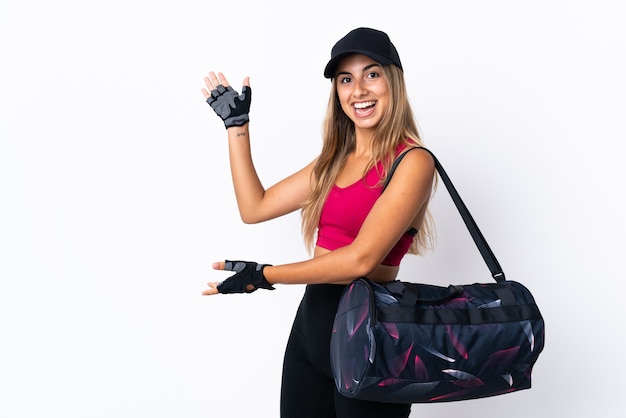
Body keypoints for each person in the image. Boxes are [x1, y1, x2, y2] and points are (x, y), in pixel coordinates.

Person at [200, 27, 436, 418]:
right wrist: (236, 127)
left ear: (394, 80)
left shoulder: (412, 161)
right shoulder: (332, 163)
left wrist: (266, 275)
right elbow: (254, 207)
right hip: (312, 328)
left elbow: (360, 261)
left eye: (371, 74)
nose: (358, 89)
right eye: (346, 79)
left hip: (373, 336)